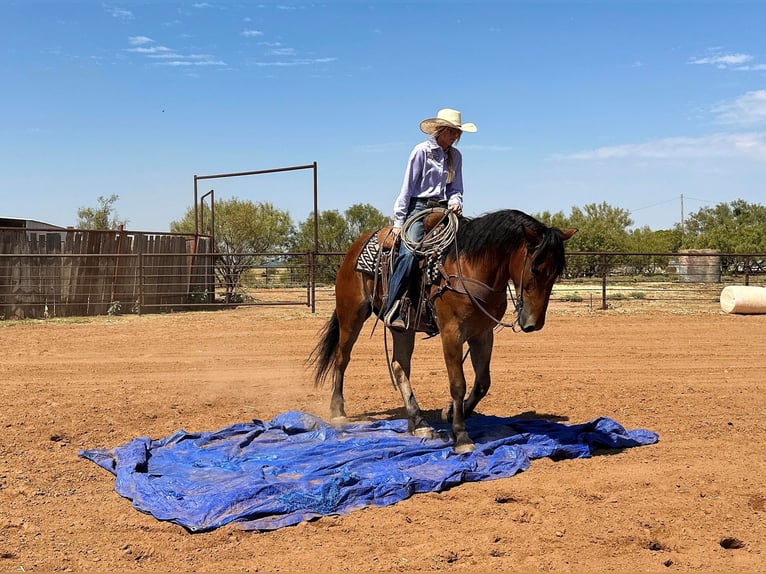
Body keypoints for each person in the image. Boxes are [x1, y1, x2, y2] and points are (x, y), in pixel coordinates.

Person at [384, 108, 477, 330]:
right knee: (409, 254)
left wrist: (456, 201)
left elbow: (457, 187)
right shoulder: (421, 152)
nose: (455, 136)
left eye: (457, 132)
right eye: (452, 131)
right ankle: (393, 306)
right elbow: (406, 188)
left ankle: (455, 306)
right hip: (419, 208)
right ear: (440, 130)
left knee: (467, 249)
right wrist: (399, 222)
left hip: (445, 210)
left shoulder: (456, 156)